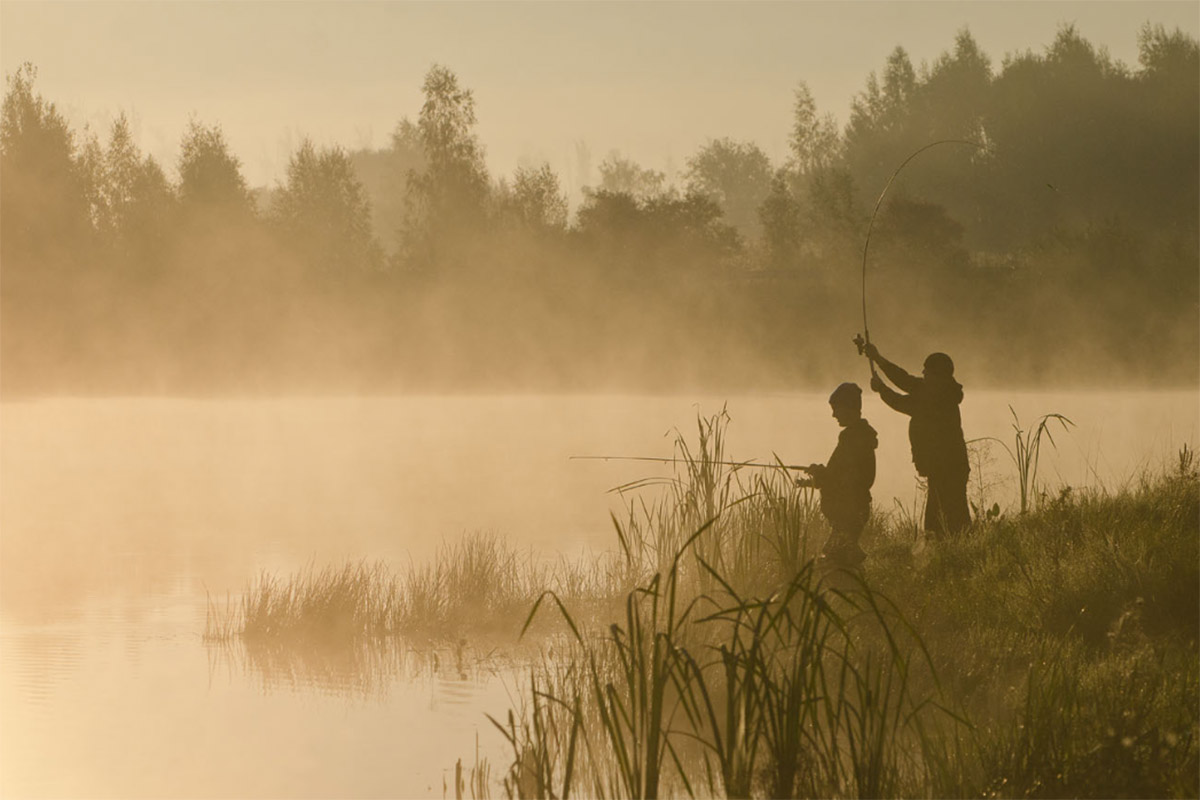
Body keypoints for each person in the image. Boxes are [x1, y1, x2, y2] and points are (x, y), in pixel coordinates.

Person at [860, 341, 971, 536]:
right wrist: (877, 358)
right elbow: (904, 380)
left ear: (938, 376)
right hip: (946, 467)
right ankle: (958, 551)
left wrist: (881, 389)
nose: (923, 374)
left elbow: (902, 403)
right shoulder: (938, 390)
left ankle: (951, 555)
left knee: (942, 523)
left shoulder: (938, 399)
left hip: (947, 468)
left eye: (927, 372)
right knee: (952, 519)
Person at [798, 382, 877, 566]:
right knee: (838, 554)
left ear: (849, 408)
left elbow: (841, 478)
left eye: (836, 409)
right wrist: (814, 479)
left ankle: (853, 588)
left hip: (849, 511)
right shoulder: (861, 435)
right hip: (856, 508)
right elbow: (841, 475)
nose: (833, 415)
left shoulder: (851, 439)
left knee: (836, 561)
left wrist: (818, 473)